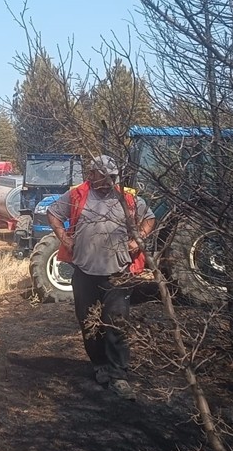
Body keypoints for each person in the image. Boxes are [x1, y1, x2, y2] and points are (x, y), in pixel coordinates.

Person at [47, 154, 153, 400]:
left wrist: (138, 239)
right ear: (91, 174)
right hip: (85, 272)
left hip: (118, 274)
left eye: (112, 177)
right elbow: (53, 213)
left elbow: (149, 218)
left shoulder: (126, 198)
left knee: (116, 323)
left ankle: (118, 375)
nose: (107, 182)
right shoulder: (76, 195)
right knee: (89, 323)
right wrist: (64, 238)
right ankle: (100, 366)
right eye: (102, 177)